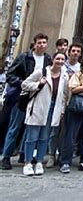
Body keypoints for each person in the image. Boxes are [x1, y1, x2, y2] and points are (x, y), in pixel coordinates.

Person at [1, 33, 52, 170]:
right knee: (15, 126)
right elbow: (10, 74)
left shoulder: (48, 59)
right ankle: (6, 156)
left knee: (30, 127)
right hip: (22, 96)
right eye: (39, 42)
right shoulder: (24, 57)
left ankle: (25, 154)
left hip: (38, 97)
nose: (41, 45)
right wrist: (23, 83)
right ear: (34, 44)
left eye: (44, 42)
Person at [20, 52, 69, 176]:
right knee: (32, 137)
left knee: (44, 137)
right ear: (52, 59)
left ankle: (39, 162)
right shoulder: (41, 72)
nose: (60, 61)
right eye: (57, 58)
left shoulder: (64, 76)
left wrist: (62, 110)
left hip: (53, 109)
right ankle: (28, 163)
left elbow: (64, 94)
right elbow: (24, 84)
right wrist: (38, 84)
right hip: (38, 107)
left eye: (62, 59)